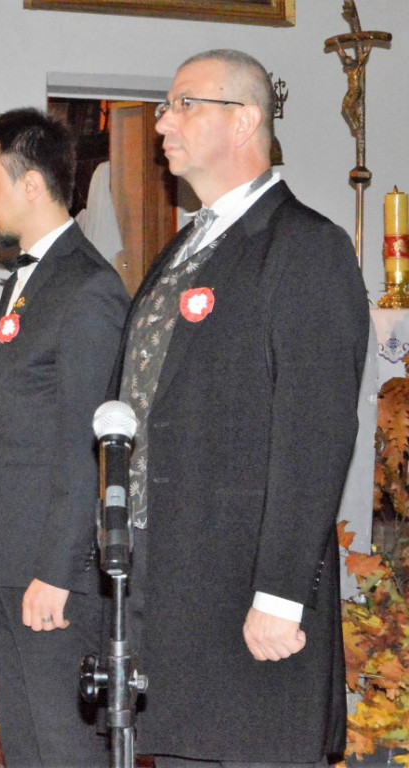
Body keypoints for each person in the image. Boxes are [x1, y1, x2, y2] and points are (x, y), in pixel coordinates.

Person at [118, 49, 368, 766]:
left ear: (247, 119)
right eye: (166, 107)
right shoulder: (186, 246)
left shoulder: (304, 247)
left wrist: (283, 592)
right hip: (167, 575)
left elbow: (315, 431)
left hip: (244, 591)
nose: (163, 122)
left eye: (184, 104)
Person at [0, 108, 129, 767]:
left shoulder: (86, 287)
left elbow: (87, 447)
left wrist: (58, 569)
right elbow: (3, 430)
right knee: (23, 743)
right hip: (3, 557)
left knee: (63, 746)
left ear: (31, 184)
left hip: (48, 571)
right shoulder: (29, 280)